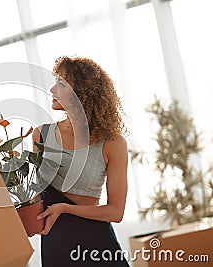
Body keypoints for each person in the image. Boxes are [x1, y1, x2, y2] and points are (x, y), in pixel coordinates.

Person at [34, 56, 130, 266]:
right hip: (55, 243)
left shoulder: (112, 143)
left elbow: (115, 212)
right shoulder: (41, 135)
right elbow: (35, 195)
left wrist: (65, 208)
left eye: (61, 84)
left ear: (82, 93)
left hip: (95, 245)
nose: (52, 90)